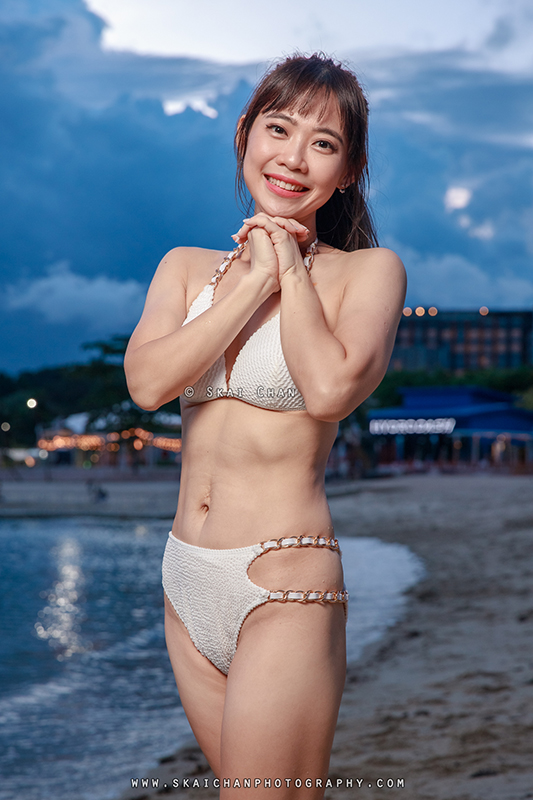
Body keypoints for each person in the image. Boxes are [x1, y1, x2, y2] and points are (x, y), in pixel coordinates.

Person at [124, 53, 406, 797]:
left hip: (284, 582)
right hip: (183, 578)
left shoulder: (368, 274)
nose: (292, 156)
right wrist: (247, 279)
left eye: (323, 142)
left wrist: (286, 266)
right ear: (246, 136)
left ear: (348, 169)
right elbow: (149, 384)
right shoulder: (185, 268)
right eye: (277, 129)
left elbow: (327, 390)